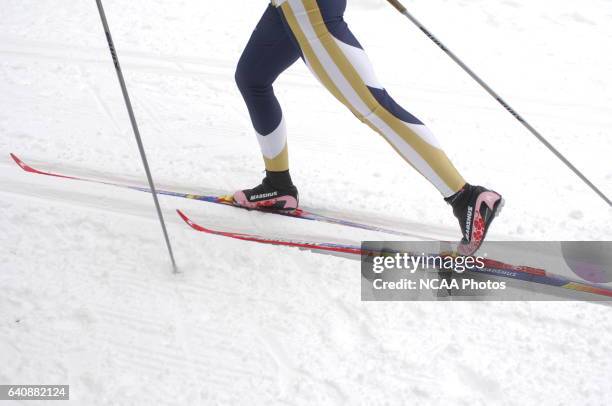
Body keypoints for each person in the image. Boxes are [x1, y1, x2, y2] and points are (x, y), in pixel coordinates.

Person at [232, 0, 503, 253]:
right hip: (287, 7)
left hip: (308, 7)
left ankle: (467, 198)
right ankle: (278, 185)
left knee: (375, 108)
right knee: (252, 77)